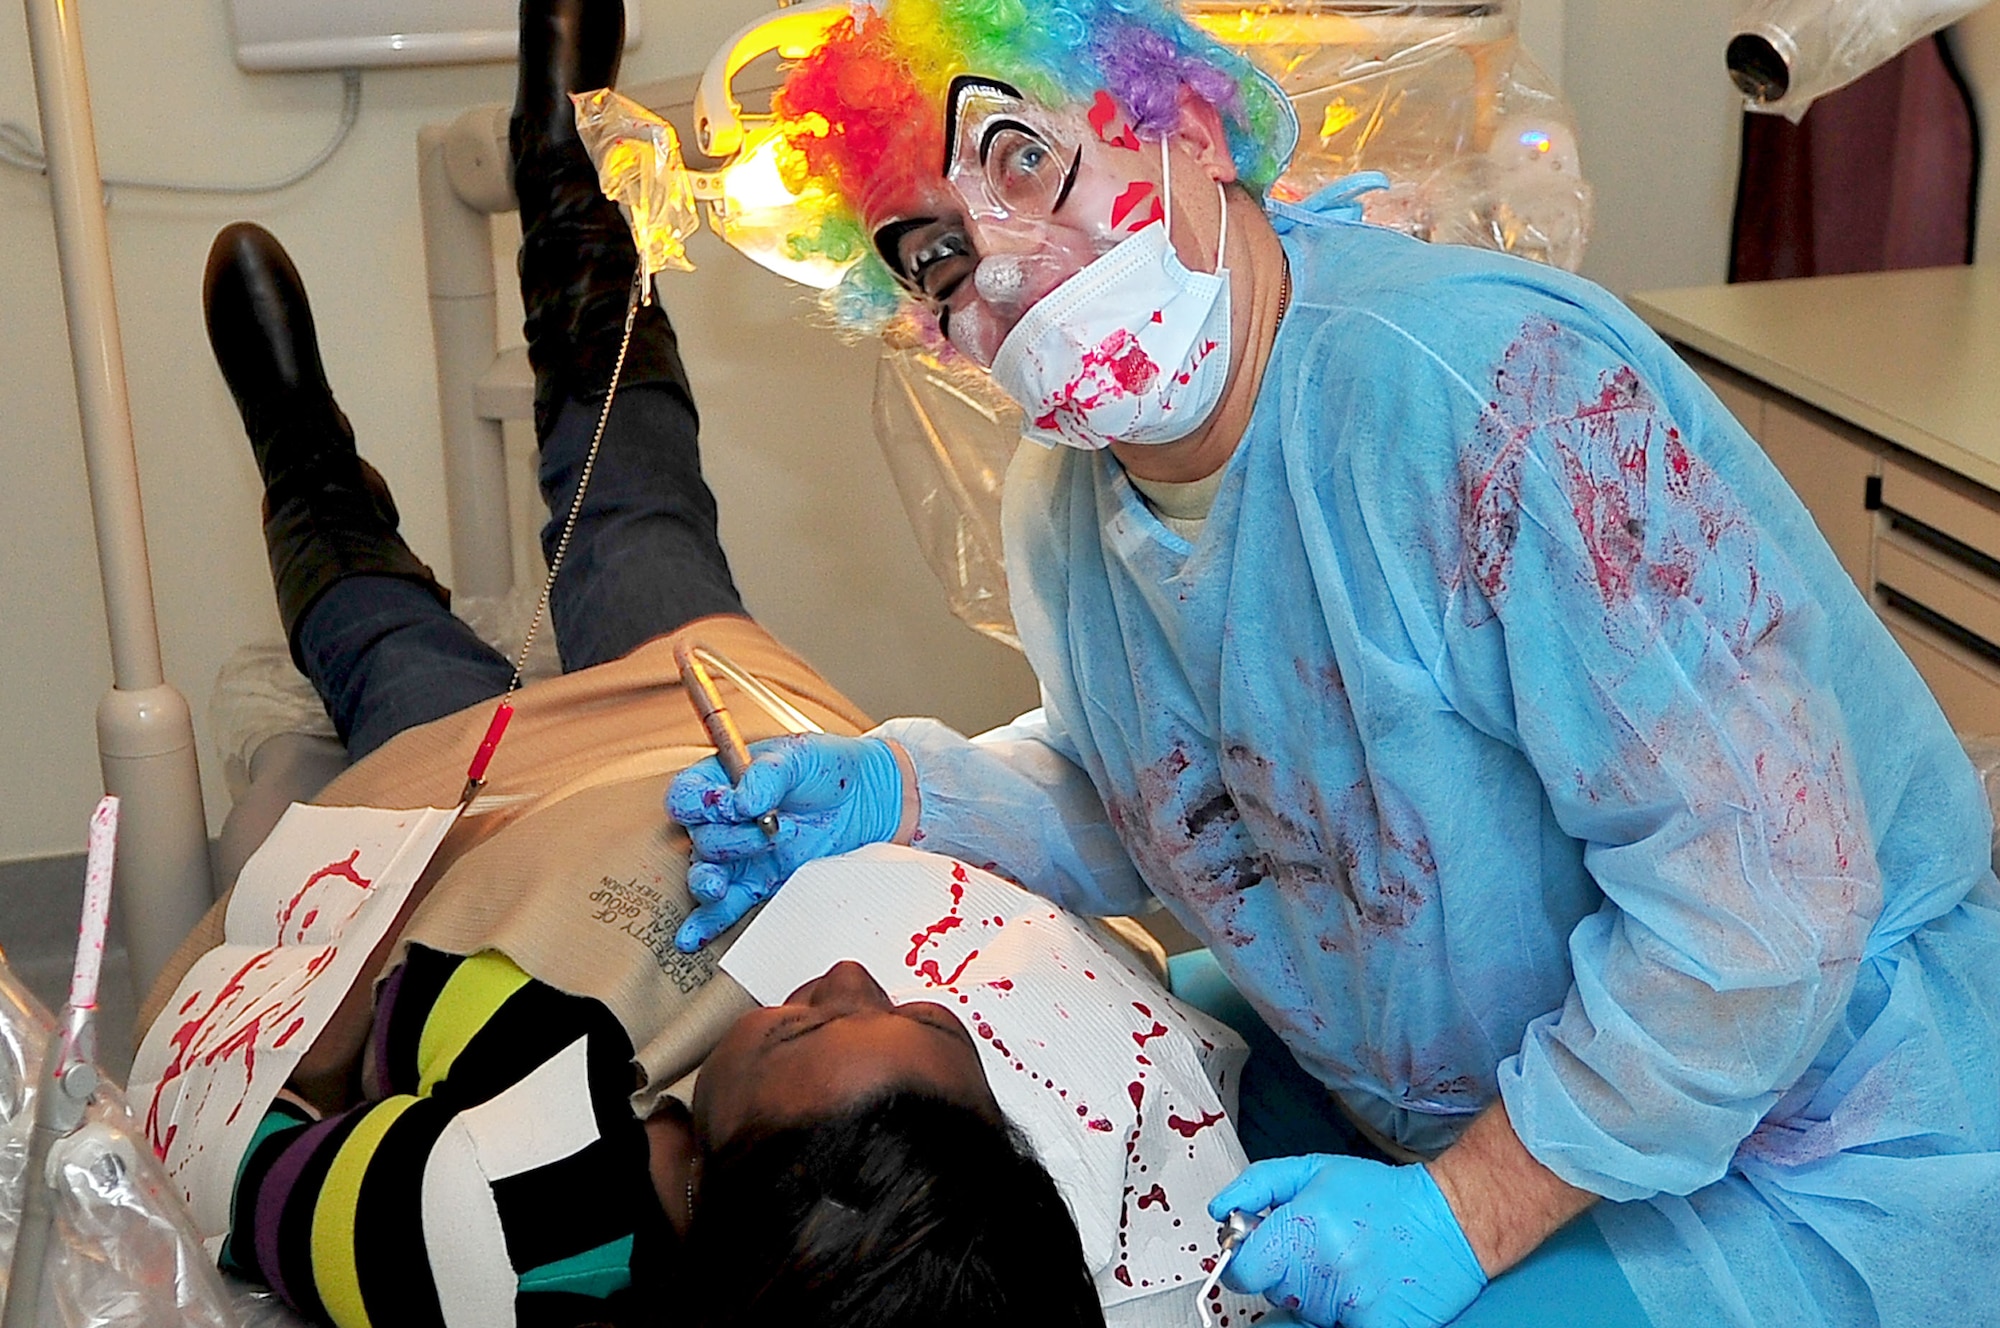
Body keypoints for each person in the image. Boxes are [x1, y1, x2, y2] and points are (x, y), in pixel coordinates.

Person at [666, 3, 2000, 1326]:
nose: (1001, 265)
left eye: (1021, 160)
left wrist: (1468, 1212)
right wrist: (904, 793)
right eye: (936, 250)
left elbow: (1762, 914)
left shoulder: (1494, 397)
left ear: (1193, 123)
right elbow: (1182, 794)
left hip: (1799, 1125)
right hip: (1439, 1072)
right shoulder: (1066, 509)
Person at [136, 2, 1143, 1324]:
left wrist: (417, 977)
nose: (846, 979)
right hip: (728, 738)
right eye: (917, 1018)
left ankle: (312, 480)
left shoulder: (514, 1224)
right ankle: (568, 175)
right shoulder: (1003, 1226)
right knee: (639, 522)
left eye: (802, 1025)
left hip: (489, 827)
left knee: (398, 661)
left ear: (700, 1186)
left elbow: (221, 1141)